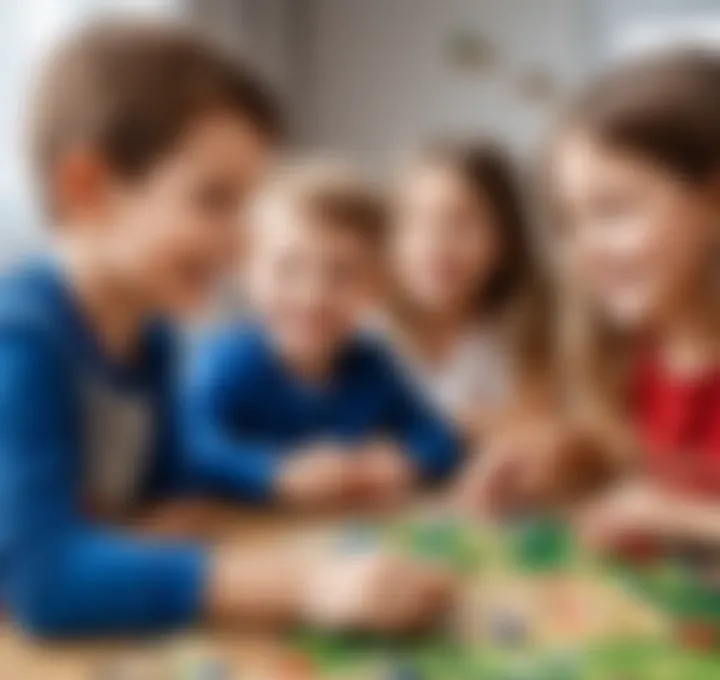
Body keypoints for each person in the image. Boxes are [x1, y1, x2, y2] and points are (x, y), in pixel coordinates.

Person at [0, 19, 455, 638]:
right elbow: (45, 581)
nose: (243, 244)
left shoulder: (152, 340)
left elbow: (170, 492)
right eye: (214, 200)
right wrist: (306, 583)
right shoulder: (22, 336)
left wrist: (272, 479)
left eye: (247, 207)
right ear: (89, 189)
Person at [465, 49, 720, 549]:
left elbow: (676, 505)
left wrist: (682, 518)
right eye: (569, 223)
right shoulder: (636, 353)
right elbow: (654, 467)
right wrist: (565, 457)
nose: (584, 253)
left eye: (614, 210)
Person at [184, 161, 464, 511]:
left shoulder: (371, 364)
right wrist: (277, 473)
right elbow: (192, 447)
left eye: (342, 272)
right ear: (246, 269)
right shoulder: (229, 361)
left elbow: (440, 437)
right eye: (288, 267)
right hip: (247, 539)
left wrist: (401, 460)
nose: (314, 294)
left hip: (332, 536)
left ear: (377, 285)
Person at [385, 140, 549, 442]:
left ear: (505, 239)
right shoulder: (366, 329)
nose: (437, 243)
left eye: (463, 220)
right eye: (416, 221)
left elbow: (534, 433)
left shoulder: (523, 331)